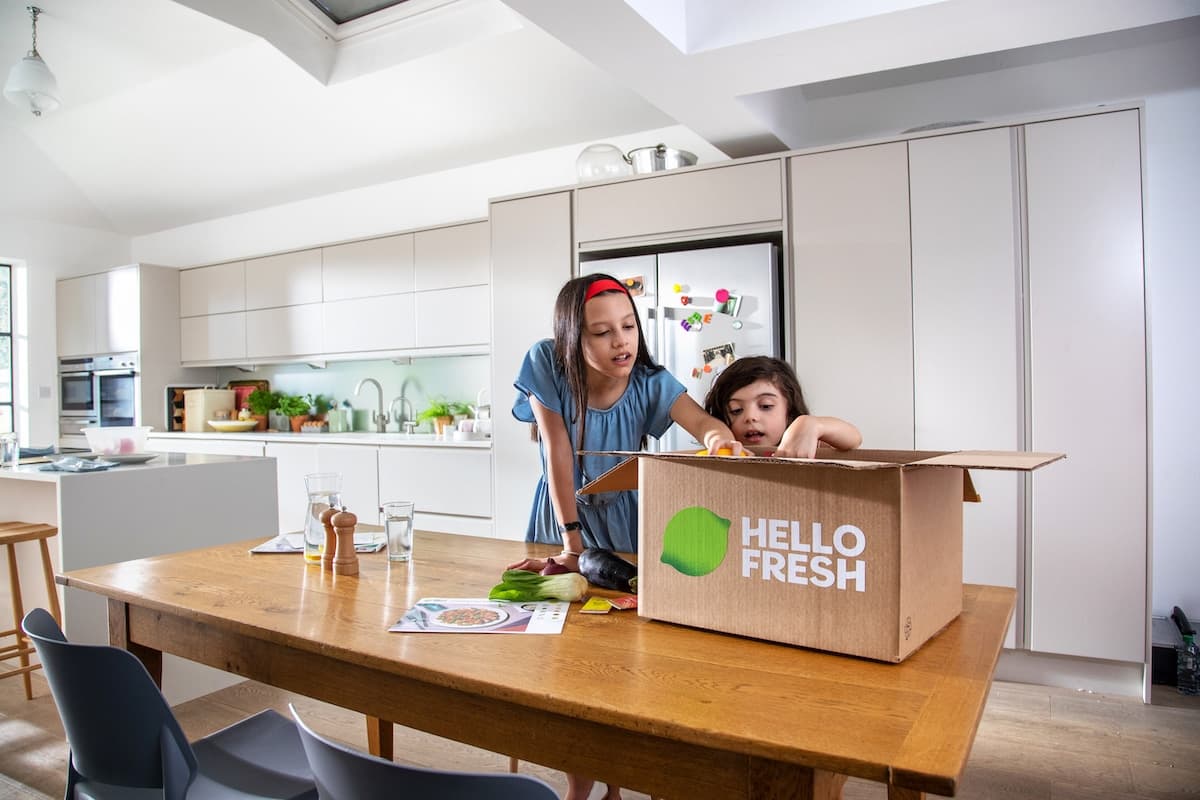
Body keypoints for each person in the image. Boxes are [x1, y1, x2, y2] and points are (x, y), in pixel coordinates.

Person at [510, 273, 742, 800]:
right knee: (568, 667)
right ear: (573, 337)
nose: (621, 342)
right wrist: (571, 544)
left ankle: (615, 786)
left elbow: (704, 424)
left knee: (621, 661)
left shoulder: (651, 382)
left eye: (629, 326)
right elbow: (557, 451)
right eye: (601, 332)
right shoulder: (546, 363)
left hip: (626, 526)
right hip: (560, 517)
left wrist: (718, 440)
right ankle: (579, 788)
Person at [703, 355, 862, 457]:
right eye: (736, 410)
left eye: (766, 406)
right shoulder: (724, 452)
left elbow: (854, 439)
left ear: (789, 409)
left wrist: (813, 424)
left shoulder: (804, 442)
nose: (750, 417)